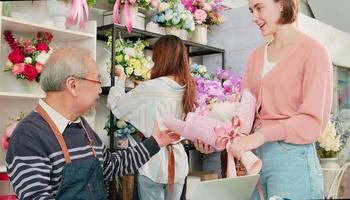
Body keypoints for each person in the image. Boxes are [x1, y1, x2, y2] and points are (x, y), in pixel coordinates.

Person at [195, 0, 333, 199]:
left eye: (259, 8)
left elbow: (312, 122)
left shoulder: (314, 52)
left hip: (293, 161)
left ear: (282, 5)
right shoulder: (255, 57)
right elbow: (245, 113)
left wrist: (261, 135)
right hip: (254, 161)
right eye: (251, 11)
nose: (253, 18)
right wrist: (214, 135)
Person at [5, 47, 180, 200]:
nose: (100, 90)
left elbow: (110, 166)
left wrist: (155, 142)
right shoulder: (28, 136)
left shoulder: (79, 125)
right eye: (97, 81)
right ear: (72, 85)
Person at [107, 35, 196, 200]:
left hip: (151, 159)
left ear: (159, 57)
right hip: (178, 162)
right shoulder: (188, 87)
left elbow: (118, 106)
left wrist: (121, 79)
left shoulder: (150, 87)